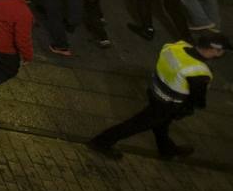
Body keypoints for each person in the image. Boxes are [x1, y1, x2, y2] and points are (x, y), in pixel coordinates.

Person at [87, 33, 225, 160]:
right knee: (136, 125)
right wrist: (186, 110)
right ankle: (101, 142)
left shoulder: (176, 46)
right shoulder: (199, 72)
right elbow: (197, 98)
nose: (222, 53)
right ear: (213, 50)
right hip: (168, 104)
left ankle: (167, 150)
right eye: (221, 50)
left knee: (161, 125)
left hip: (155, 91)